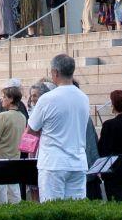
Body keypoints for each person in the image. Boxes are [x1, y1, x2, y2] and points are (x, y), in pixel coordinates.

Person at [27, 54, 90, 202]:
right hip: (78, 161)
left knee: (52, 210)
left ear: (55, 73)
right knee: (76, 211)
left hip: (53, 163)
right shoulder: (83, 98)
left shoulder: (47, 99)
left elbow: (31, 128)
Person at [0, 83, 27, 206]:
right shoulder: (22, 116)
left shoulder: (3, 116)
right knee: (13, 188)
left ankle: (1, 213)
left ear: (11, 99)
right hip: (15, 155)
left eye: (4, 97)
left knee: (0, 189)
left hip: (0, 156)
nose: (2, 100)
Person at [96, 90, 122, 202]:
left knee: (114, 201)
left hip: (114, 169)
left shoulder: (108, 125)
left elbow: (102, 149)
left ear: (113, 105)